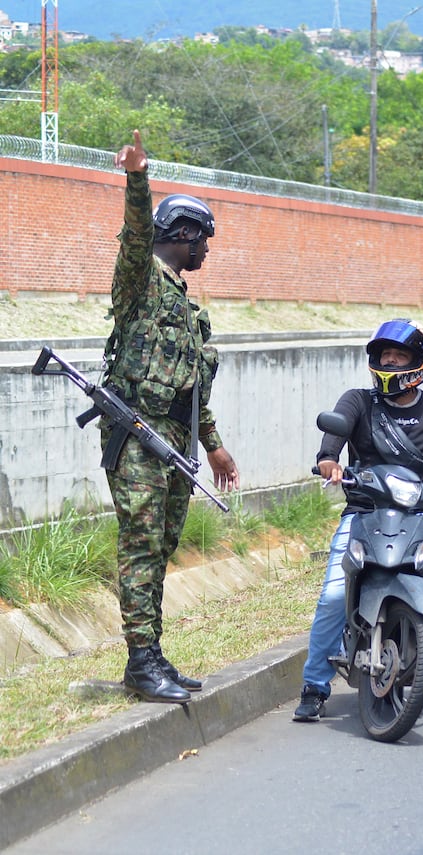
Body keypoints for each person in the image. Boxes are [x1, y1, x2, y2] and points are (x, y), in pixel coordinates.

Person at [293, 320, 423, 721]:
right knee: (333, 596)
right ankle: (314, 686)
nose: (389, 361)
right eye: (385, 355)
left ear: (418, 363)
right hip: (363, 513)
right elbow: (334, 436)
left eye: (399, 355)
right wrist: (328, 461)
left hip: (422, 515)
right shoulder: (358, 401)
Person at [104, 130, 238, 704]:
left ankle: (151, 656)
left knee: (159, 546)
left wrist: (213, 444)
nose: (205, 249)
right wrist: (138, 179)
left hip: (176, 440)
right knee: (139, 543)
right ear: (182, 235)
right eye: (202, 239)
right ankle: (140, 662)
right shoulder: (139, 283)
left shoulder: (184, 306)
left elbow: (191, 388)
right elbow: (136, 234)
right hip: (138, 434)